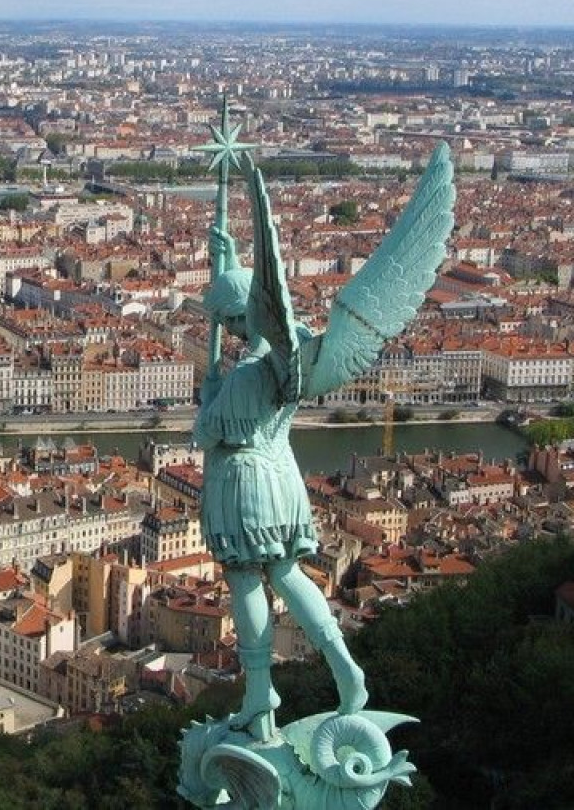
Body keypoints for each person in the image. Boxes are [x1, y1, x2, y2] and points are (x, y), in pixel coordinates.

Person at [195, 167, 367, 741]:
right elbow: (260, 304)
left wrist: (208, 397)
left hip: (243, 478)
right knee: (288, 573)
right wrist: (232, 259)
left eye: (226, 320)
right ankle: (343, 662)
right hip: (282, 473)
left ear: (238, 319)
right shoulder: (286, 361)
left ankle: (258, 689)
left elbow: (206, 436)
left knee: (244, 579)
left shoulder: (244, 375)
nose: (225, 328)